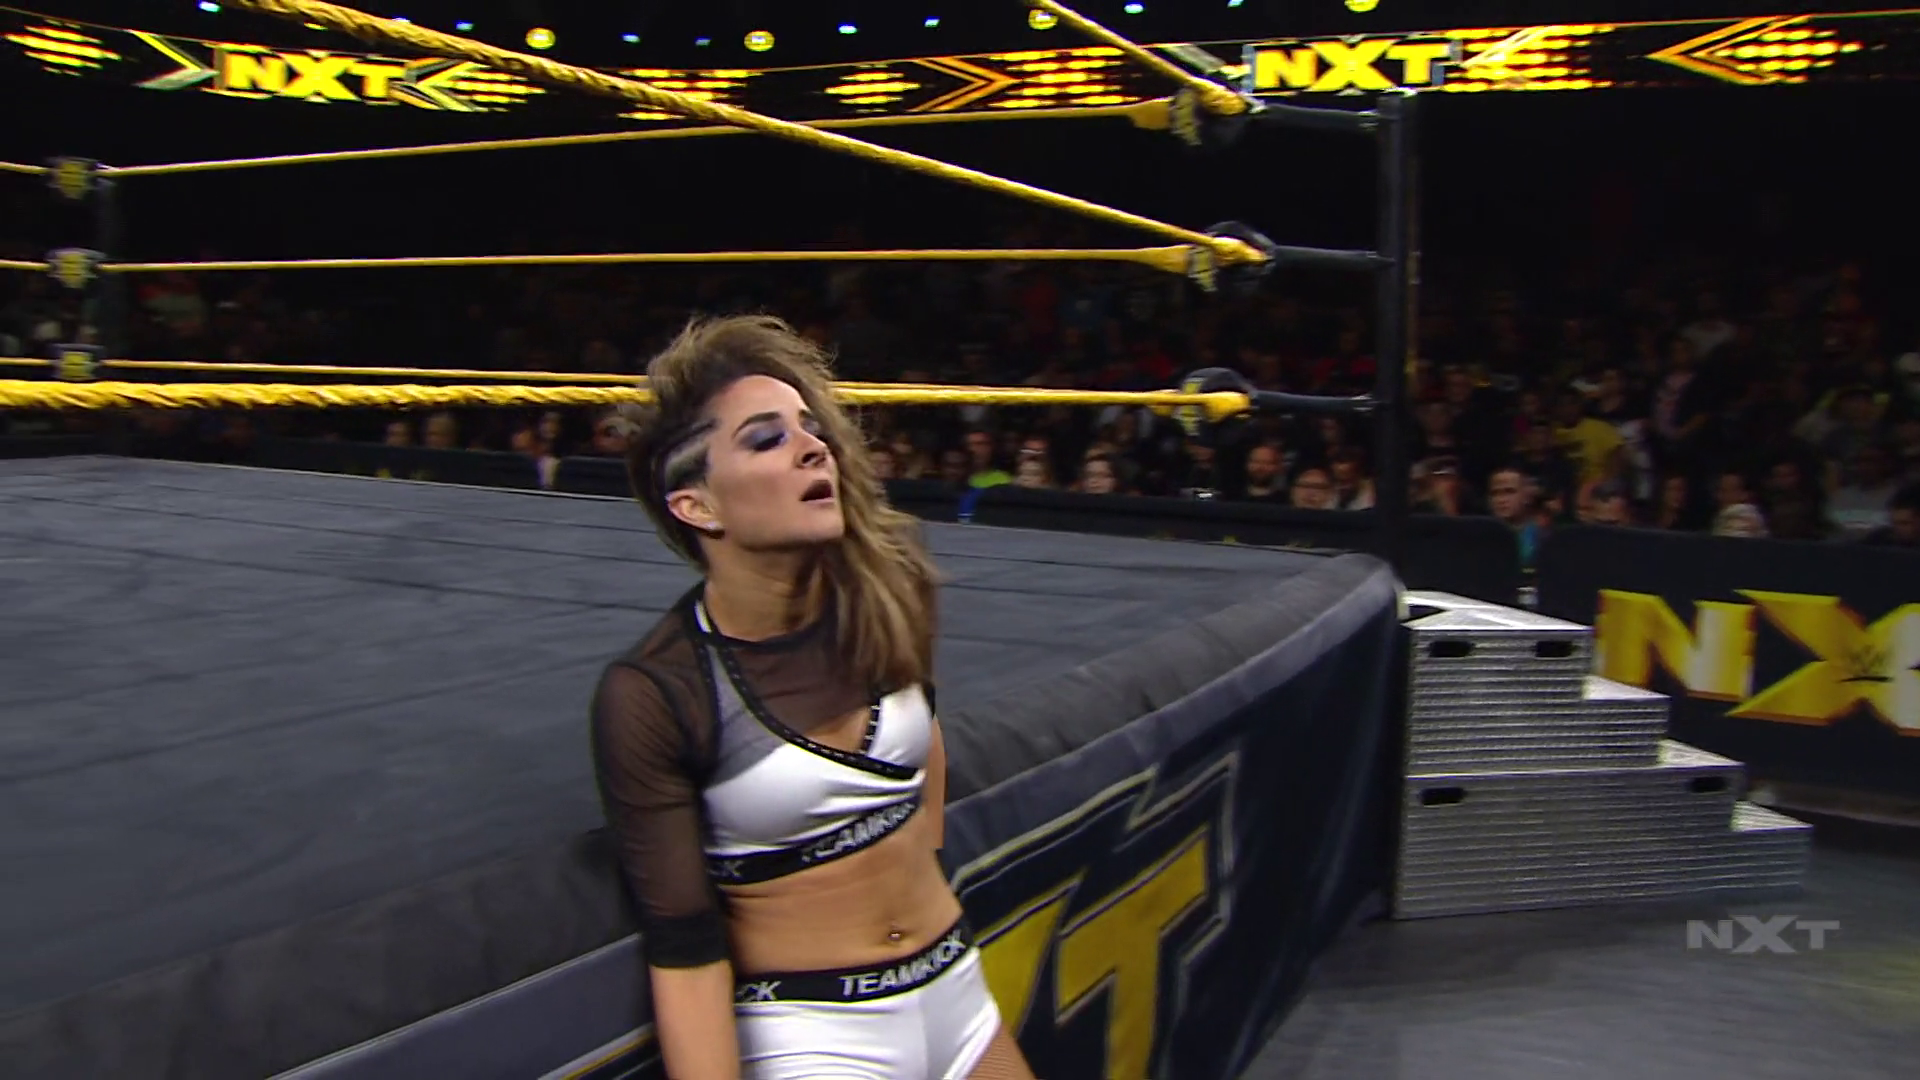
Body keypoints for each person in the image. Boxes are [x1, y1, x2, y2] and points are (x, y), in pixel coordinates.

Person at [590, 315, 1035, 1079]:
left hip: (958, 990)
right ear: (697, 505)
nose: (812, 446)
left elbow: (923, 753)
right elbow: (686, 951)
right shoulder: (656, 693)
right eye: (766, 438)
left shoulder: (888, 589)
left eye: (810, 427)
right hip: (817, 1031)